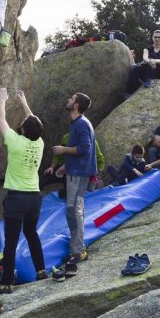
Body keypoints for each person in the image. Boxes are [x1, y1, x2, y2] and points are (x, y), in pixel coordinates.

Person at [0, 88, 47, 294]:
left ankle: (6, 282)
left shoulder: (15, 141)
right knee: (31, 233)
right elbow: (34, 122)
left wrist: (2, 99)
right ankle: (41, 270)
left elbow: (0, 119)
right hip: (34, 197)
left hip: (16, 198)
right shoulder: (39, 143)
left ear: (23, 130)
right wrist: (24, 102)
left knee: (11, 242)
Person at [51, 93, 97, 279]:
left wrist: (62, 150)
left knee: (75, 209)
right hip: (74, 171)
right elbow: (82, 151)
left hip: (79, 174)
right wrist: (64, 166)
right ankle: (76, 247)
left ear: (76, 105)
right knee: (72, 209)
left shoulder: (81, 124)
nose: (67, 100)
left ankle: (78, 250)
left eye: (71, 99)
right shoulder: (79, 123)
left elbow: (85, 148)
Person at [123, 30, 160, 99]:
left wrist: (154, 61)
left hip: (159, 72)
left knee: (153, 56)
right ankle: (128, 92)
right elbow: (145, 58)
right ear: (152, 38)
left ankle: (150, 79)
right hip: (148, 69)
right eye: (155, 37)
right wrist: (151, 62)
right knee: (135, 69)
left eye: (159, 37)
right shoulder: (147, 48)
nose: (157, 39)